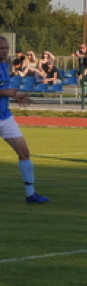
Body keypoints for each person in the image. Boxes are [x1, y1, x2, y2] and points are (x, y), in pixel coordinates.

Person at [0, 36, 48, 204]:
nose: (4, 51)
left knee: (24, 152)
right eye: (1, 48)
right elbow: (4, 91)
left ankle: (30, 194)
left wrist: (17, 96)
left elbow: (5, 90)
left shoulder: (5, 66)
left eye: (6, 48)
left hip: (4, 116)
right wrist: (7, 93)